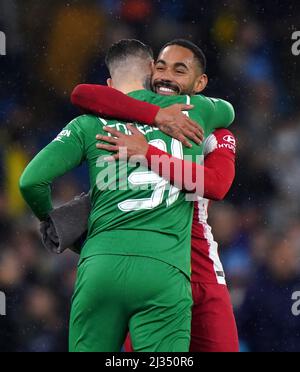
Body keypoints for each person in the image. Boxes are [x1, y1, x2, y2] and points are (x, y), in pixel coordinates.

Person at [19, 39, 234, 352]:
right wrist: (157, 115)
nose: (166, 77)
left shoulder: (91, 121)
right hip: (164, 269)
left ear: (200, 82)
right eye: (161, 67)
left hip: (131, 265)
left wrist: (147, 151)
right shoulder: (199, 113)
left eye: (179, 70)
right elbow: (85, 93)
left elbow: (215, 185)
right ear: (149, 72)